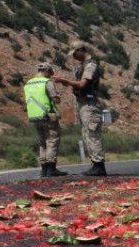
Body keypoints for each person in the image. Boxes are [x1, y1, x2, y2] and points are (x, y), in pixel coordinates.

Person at [55, 40, 106, 176]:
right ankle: (95, 164)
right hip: (83, 103)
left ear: (81, 50)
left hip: (90, 104)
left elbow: (83, 84)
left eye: (75, 53)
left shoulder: (90, 65)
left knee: (92, 132)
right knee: (86, 133)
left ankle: (99, 165)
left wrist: (65, 82)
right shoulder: (84, 65)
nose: (74, 57)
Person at [24, 62, 66, 177]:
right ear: (46, 71)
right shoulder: (47, 82)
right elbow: (55, 99)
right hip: (48, 116)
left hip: (34, 116)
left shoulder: (28, 83)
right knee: (52, 140)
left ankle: (43, 169)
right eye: (50, 73)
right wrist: (58, 98)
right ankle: (51, 169)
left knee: (42, 142)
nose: (50, 75)